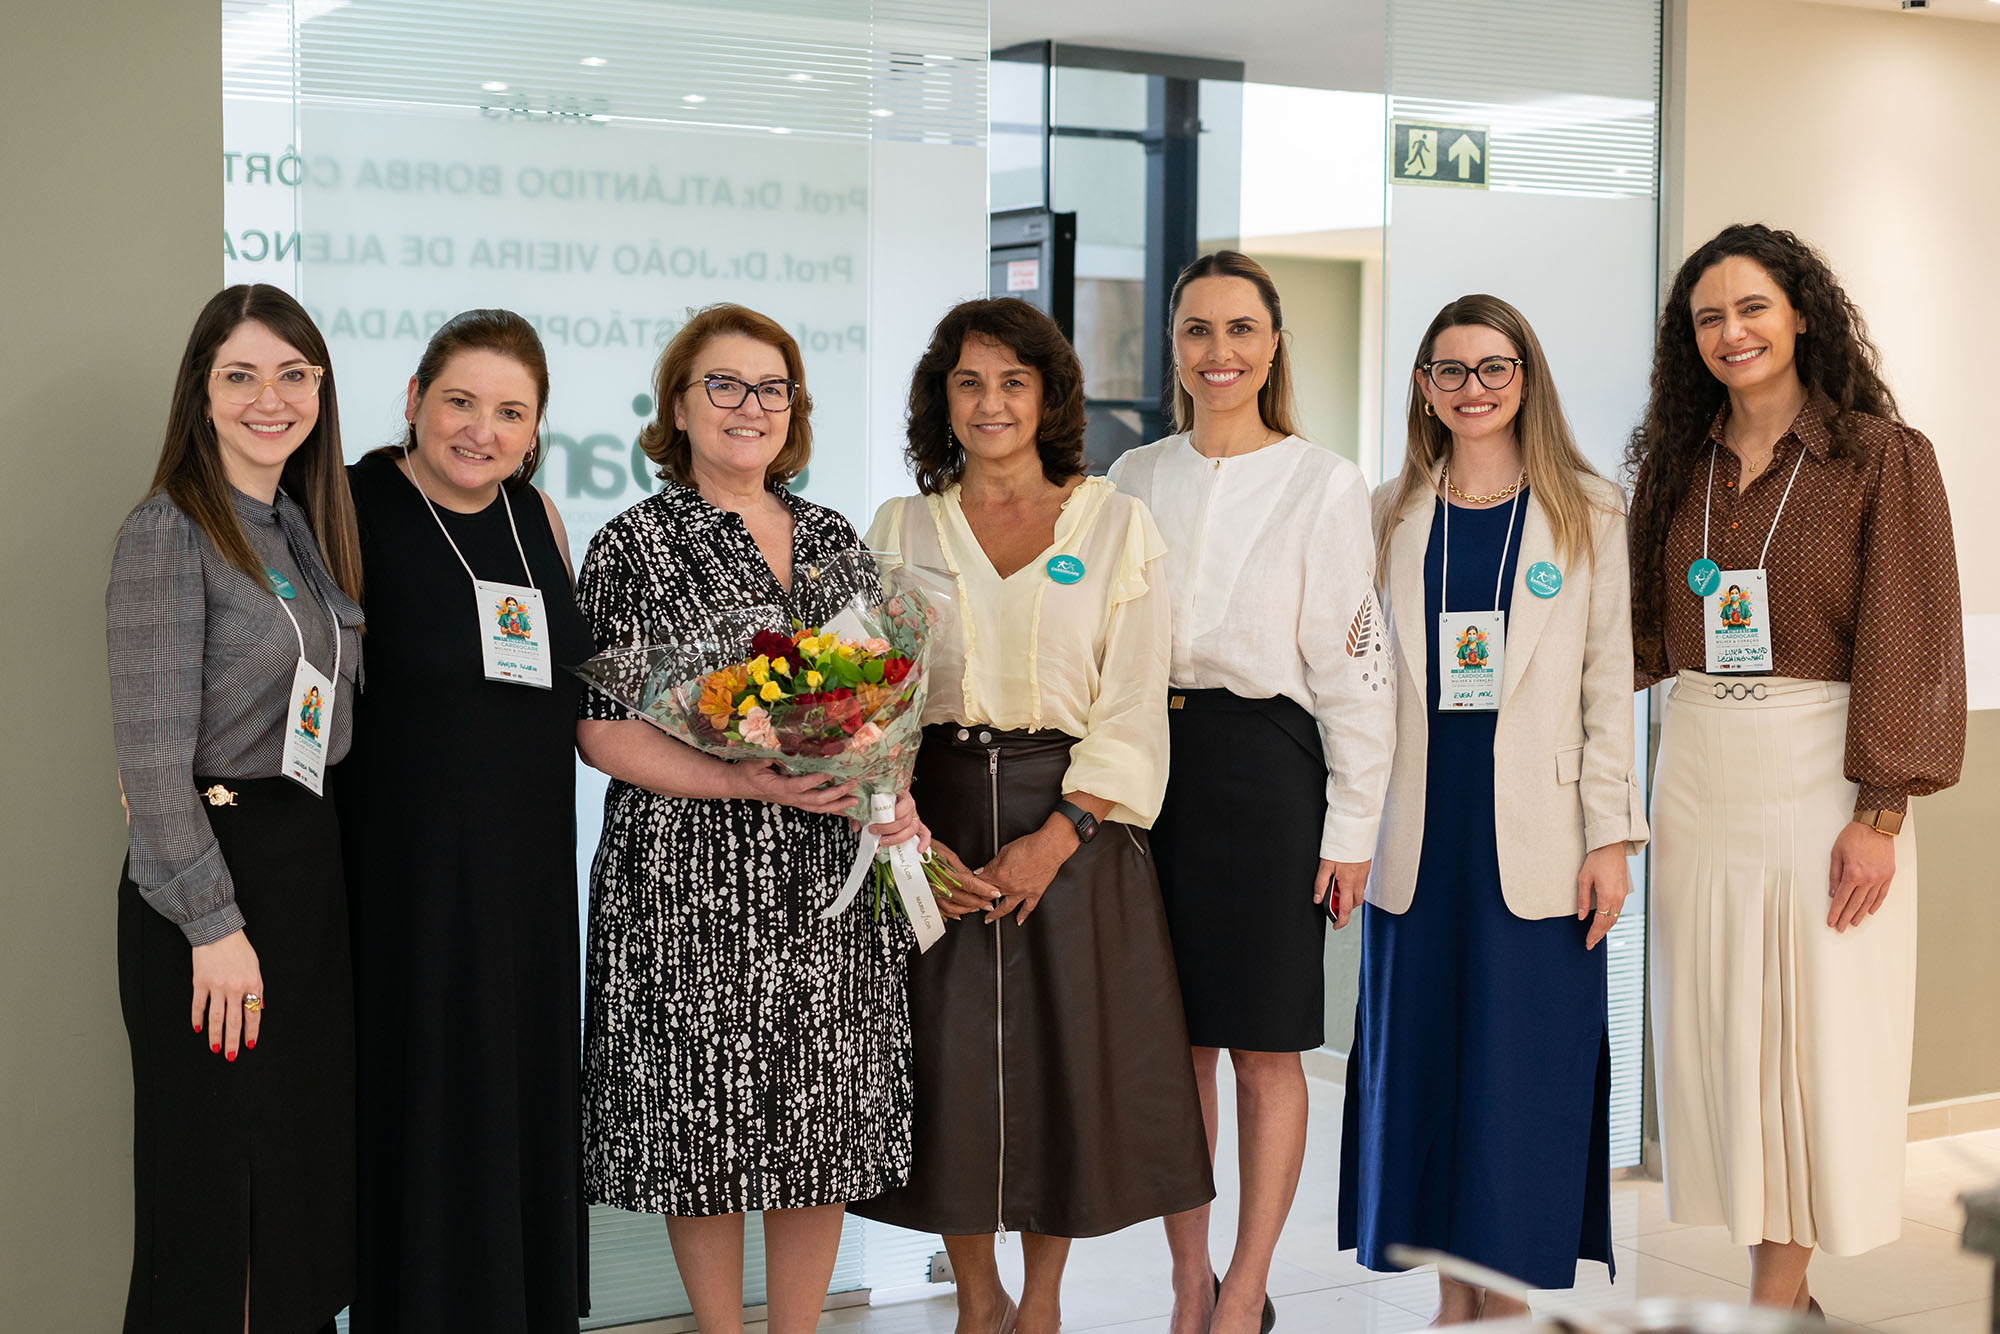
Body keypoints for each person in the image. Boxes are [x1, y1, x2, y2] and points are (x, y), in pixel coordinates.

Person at [853, 297, 1214, 1334]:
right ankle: (979, 1300)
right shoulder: (900, 526)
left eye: (1013, 381)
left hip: (1075, 823)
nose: (990, 402)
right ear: (941, 400)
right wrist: (901, 828)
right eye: (967, 382)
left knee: (1064, 1063)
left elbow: (1133, 702)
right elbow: (867, 697)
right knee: (947, 1067)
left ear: (1049, 396)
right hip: (932, 820)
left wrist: (1057, 839)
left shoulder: (1116, 523)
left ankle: (1043, 1304)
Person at [1627, 223, 1964, 1311]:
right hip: (1695, 765)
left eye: (1751, 307)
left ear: (1802, 313)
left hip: (1821, 771)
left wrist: (1880, 811)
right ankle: (1775, 1292)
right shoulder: (1676, 465)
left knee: (1810, 1040)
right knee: (1724, 1035)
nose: (1730, 332)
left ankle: (1773, 1299)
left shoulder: (1879, 455)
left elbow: (1909, 634)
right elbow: (1631, 634)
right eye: (1707, 318)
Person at [573, 303, 919, 1334]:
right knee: (701, 1126)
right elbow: (601, 734)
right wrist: (742, 781)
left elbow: (885, 705)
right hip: (686, 880)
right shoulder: (632, 546)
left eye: (771, 388)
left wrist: (892, 793)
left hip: (828, 878)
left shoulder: (836, 539)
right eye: (722, 384)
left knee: (820, 1128)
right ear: (677, 406)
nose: (748, 406)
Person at [1338, 294, 1647, 1320]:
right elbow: (1358, 681)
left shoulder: (1589, 510)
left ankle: (1506, 1299)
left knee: (1521, 1074)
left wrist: (1611, 837)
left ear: (1525, 377)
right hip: (1418, 836)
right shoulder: (1387, 512)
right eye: (1450, 369)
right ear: (1423, 385)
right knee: (1426, 1071)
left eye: (1493, 367)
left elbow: (1607, 687)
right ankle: (1452, 1296)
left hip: (1543, 839)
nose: (1472, 388)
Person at [1108, 251, 1395, 1334]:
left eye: (1240, 329)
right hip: (1149, 768)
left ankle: (1244, 1286)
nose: (1217, 350)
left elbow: (1356, 671)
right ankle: (1189, 1280)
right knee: (1173, 1044)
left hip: (1269, 771)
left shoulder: (1324, 481)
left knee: (1266, 1047)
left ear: (1273, 345)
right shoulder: (1132, 476)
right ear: (1174, 347)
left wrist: (1352, 825)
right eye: (1196, 329)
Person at [107, 283, 364, 1333]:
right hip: (215, 889)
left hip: (303, 874)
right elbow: (148, 760)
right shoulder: (169, 530)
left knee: (293, 1191)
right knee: (223, 1194)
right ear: (201, 393)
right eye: (242, 375)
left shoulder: (297, 522)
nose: (272, 398)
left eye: (293, 374)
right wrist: (212, 928)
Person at [335, 310, 594, 1332]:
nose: (482, 430)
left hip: (527, 884)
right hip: (407, 882)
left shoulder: (539, 518)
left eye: (510, 412)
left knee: (517, 1114)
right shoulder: (347, 505)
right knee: (424, 1115)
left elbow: (576, 700)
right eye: (459, 401)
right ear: (413, 399)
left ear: (534, 429)